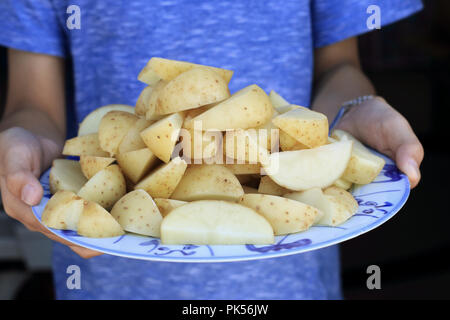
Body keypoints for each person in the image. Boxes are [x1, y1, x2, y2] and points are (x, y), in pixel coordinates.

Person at [0, 0, 424, 299]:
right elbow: (32, 104)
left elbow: (339, 68)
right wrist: (23, 136)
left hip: (291, 281)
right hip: (106, 279)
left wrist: (355, 109)